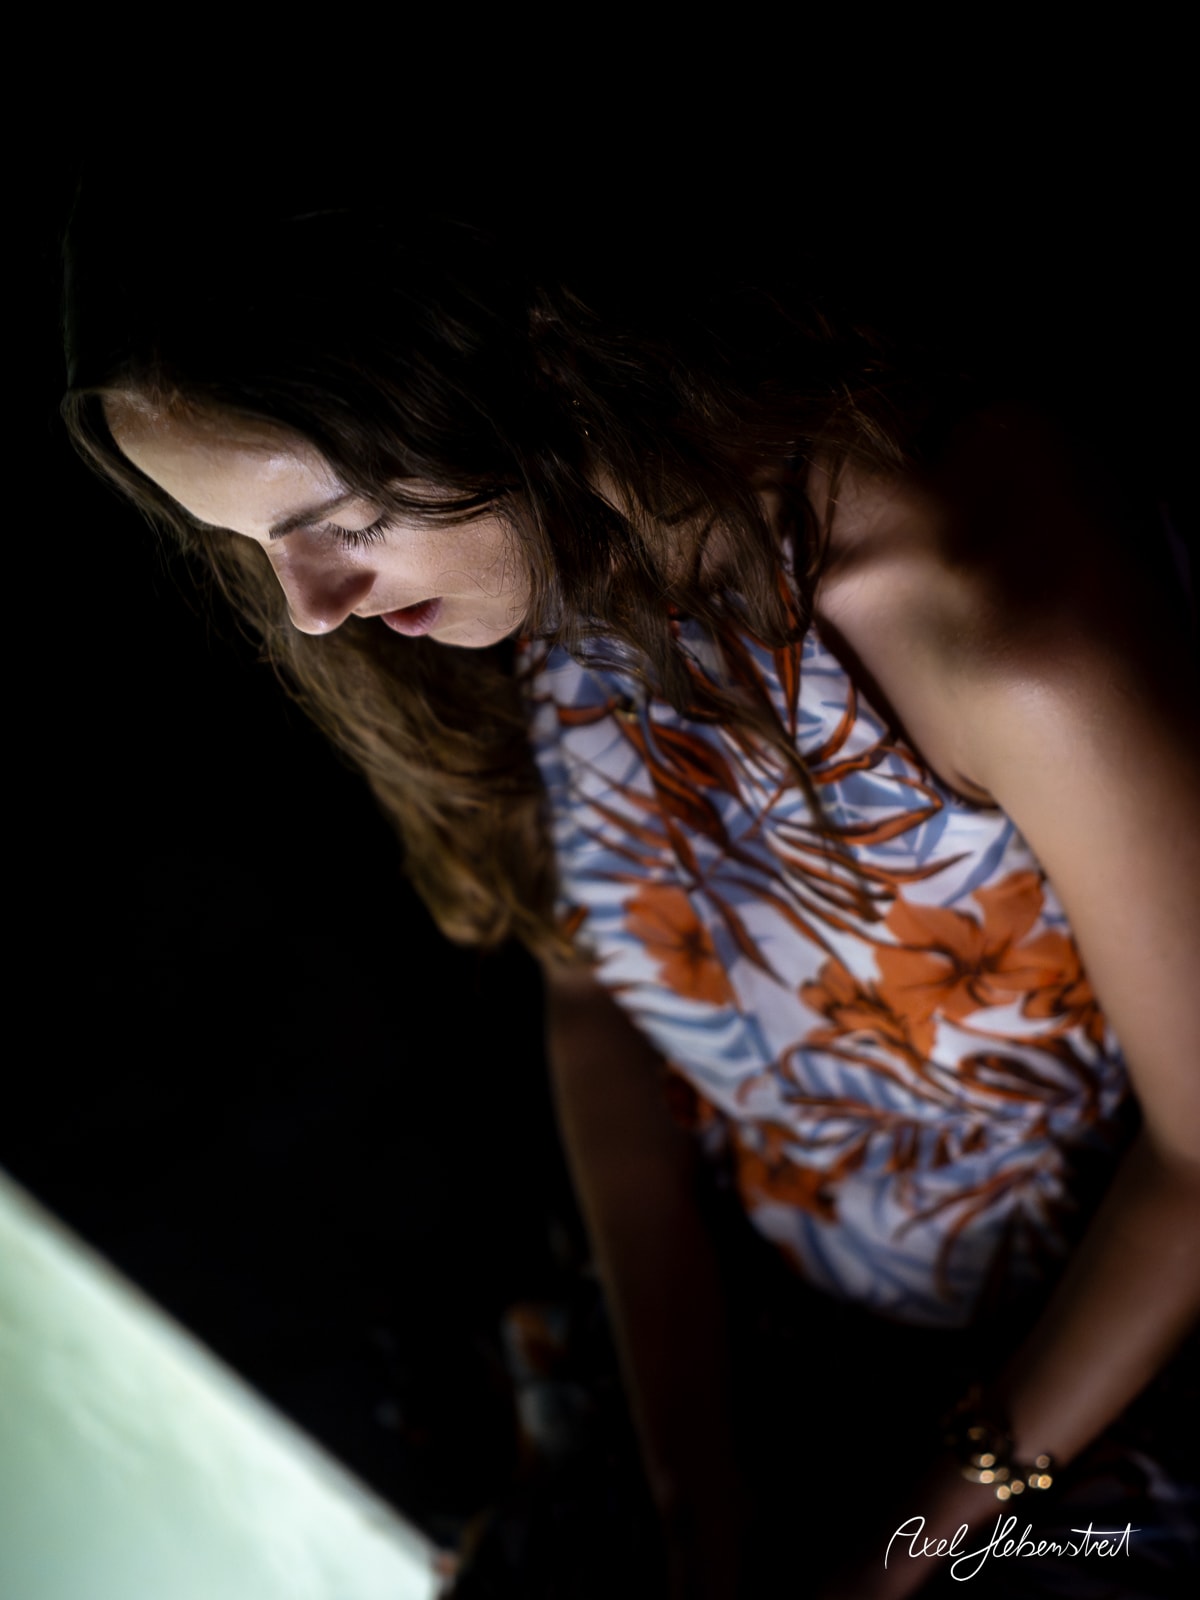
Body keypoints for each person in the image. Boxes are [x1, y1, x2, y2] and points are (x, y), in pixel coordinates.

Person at [62, 175, 1199, 1597]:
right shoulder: (568, 565)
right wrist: (693, 1483)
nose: (312, 608)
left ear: (535, 353)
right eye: (249, 548)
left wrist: (892, 1551)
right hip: (766, 1311)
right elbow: (594, 1004)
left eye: (340, 519)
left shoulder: (1002, 637)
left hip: (1099, 1365)